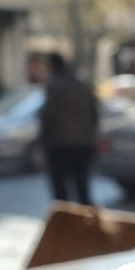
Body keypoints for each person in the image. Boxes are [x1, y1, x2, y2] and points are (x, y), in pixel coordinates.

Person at [38, 53, 99, 205]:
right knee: (82, 188)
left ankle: (66, 224)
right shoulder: (82, 85)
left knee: (61, 193)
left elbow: (48, 117)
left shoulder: (54, 86)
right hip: (83, 144)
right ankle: (85, 223)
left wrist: (44, 142)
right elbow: (95, 114)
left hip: (60, 145)